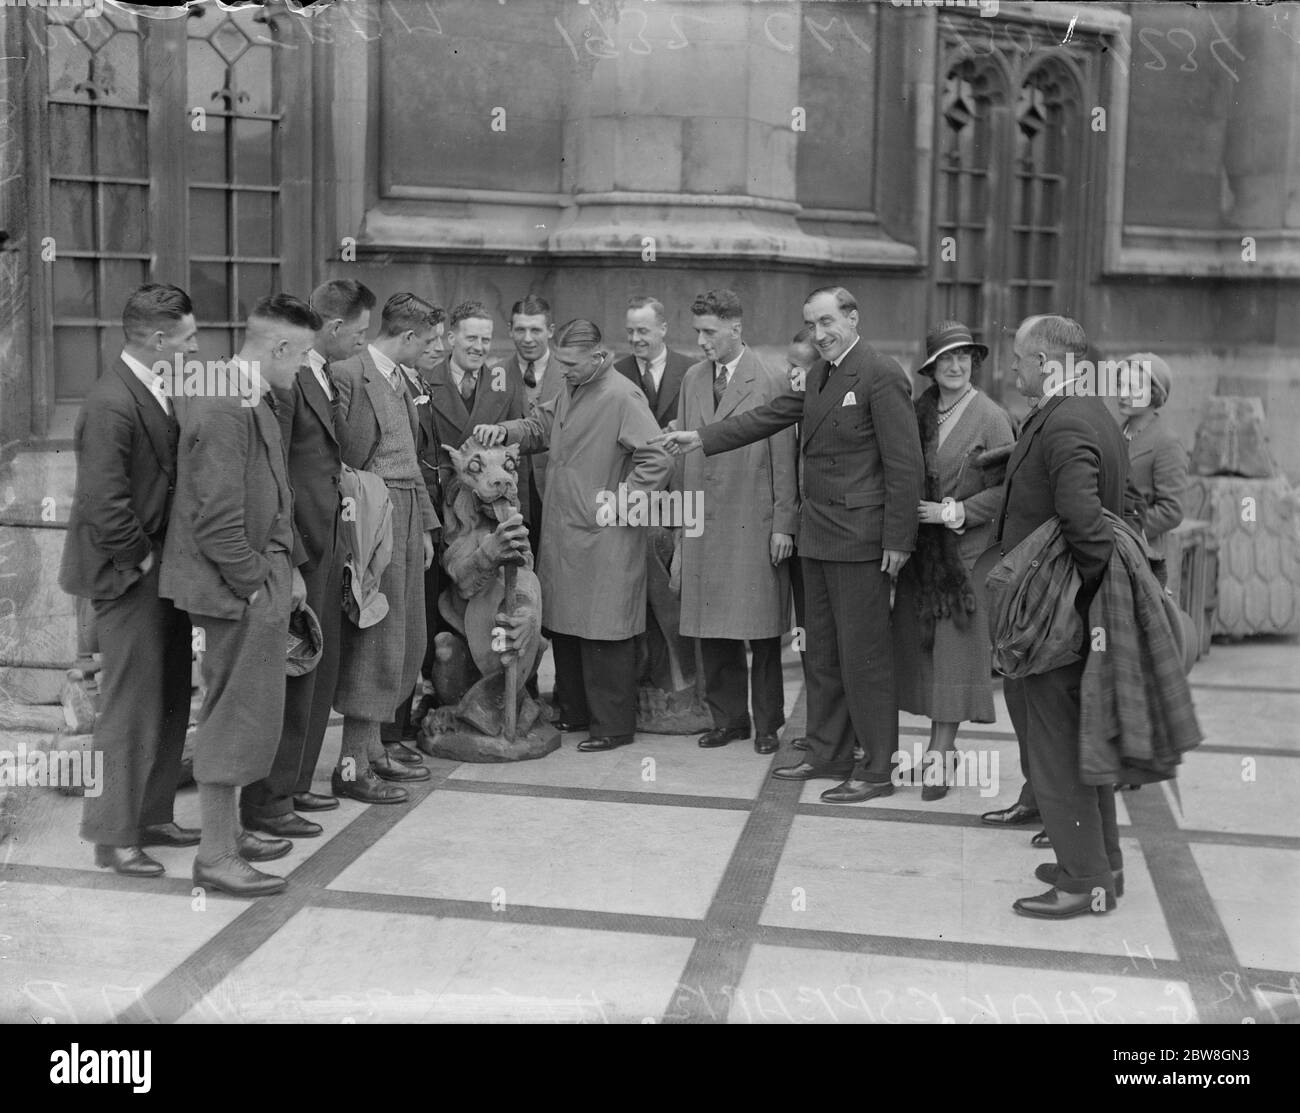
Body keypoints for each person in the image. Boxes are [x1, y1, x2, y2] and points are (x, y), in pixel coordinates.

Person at [661, 287, 924, 804]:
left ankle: (875, 768)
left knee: (863, 658)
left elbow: (904, 464)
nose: (821, 334)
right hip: (818, 539)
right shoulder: (820, 374)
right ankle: (827, 750)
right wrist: (703, 438)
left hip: (862, 542)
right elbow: (769, 416)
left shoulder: (881, 372)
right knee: (821, 654)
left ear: (853, 317)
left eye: (829, 322)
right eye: (812, 324)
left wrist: (899, 540)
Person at [160, 294, 316, 897]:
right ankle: (217, 854)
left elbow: (272, 494)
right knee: (231, 716)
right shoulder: (226, 402)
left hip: (255, 579)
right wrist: (255, 584)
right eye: (300, 355)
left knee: (249, 713)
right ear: (279, 347)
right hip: (234, 587)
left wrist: (290, 567)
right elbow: (217, 519)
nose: (302, 367)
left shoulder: (247, 393)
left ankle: (232, 833)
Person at [475, 319, 675, 752]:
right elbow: (539, 427)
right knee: (568, 627)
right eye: (561, 361)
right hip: (567, 532)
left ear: (598, 357)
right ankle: (577, 713)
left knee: (605, 629)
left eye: (569, 362)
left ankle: (613, 728)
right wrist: (505, 432)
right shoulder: (573, 388)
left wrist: (622, 503)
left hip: (606, 536)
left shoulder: (623, 396)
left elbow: (657, 454)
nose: (561, 369)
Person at [59, 284, 198, 878]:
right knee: (129, 704)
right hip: (128, 574)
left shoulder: (155, 388)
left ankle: (151, 813)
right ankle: (111, 835)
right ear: (159, 339)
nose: (194, 350)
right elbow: (101, 498)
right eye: (188, 339)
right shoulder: (112, 400)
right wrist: (139, 559)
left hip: (163, 569)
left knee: (168, 694)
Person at [994, 315, 1129, 919]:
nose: (1012, 369)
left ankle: (1081, 882)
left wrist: (1082, 599)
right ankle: (1102, 869)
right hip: (1072, 613)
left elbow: (1083, 520)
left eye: (1019, 358)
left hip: (1057, 620)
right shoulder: (1089, 410)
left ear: (1047, 362)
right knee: (1081, 746)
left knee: (1054, 750)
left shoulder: (1068, 417)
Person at [237, 279, 375, 837]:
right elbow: (278, 475)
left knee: (321, 667)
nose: (363, 344)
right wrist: (291, 556)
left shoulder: (317, 372)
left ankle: (295, 783)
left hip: (329, 539)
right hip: (304, 545)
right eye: (360, 334)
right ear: (334, 328)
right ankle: (270, 799)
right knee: (295, 673)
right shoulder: (290, 377)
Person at [891, 321, 1016, 800]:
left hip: (965, 557)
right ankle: (935, 748)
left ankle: (941, 756)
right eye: (946, 358)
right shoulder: (917, 412)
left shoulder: (991, 416)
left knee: (952, 658)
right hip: (920, 558)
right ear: (931, 368)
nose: (957, 366)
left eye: (964, 357)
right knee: (922, 656)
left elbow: (1009, 490)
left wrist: (957, 511)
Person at [332, 293, 443, 803]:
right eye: (429, 341)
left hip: (405, 512)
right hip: (371, 511)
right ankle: (352, 764)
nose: (432, 349)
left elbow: (412, 460)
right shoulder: (350, 374)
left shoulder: (400, 378)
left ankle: (374, 749)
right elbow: (343, 460)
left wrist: (424, 527)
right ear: (407, 337)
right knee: (374, 636)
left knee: (404, 635)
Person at [676, 290, 797, 756]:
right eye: (697, 332)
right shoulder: (692, 378)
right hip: (704, 519)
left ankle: (767, 723)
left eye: (710, 332)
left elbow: (784, 456)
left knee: (761, 630)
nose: (702, 341)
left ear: (736, 329)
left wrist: (783, 523)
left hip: (753, 517)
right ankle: (728, 719)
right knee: (710, 626)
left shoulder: (770, 376)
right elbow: (687, 452)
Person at [509, 295, 563, 558]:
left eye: (535, 330)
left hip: (557, 487)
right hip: (514, 490)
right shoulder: (496, 373)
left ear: (550, 331)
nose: (527, 338)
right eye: (520, 329)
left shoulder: (570, 373)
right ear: (510, 330)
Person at [1117, 353, 1186, 551]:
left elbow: (1171, 511)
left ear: (1154, 393)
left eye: (1132, 388)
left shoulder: (1167, 442)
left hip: (1143, 551)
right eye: (1121, 385)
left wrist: (1125, 530)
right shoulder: (1114, 433)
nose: (1122, 394)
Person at [615, 295, 693, 430]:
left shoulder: (691, 370)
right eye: (630, 331)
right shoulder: (616, 373)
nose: (634, 338)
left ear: (663, 329)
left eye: (642, 331)